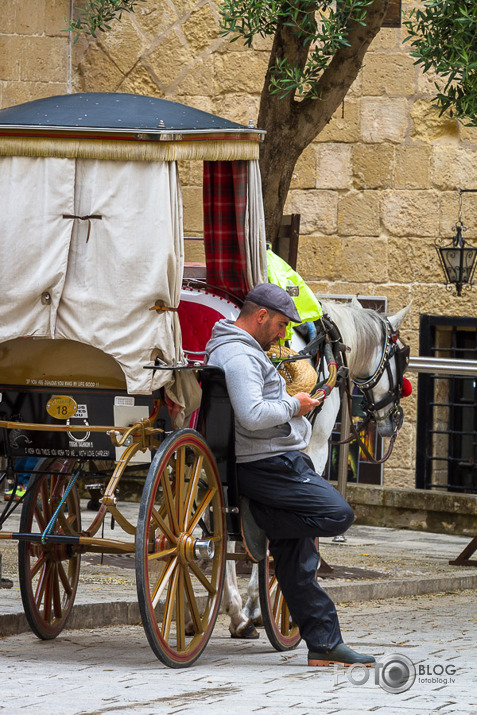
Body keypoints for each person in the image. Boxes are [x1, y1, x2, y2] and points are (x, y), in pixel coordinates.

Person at [205, 282, 375, 667]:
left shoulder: (241, 350)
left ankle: (324, 644)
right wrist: (294, 404)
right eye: (281, 325)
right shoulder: (241, 357)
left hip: (276, 459)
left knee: (297, 556)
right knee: (338, 515)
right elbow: (252, 414)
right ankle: (263, 515)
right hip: (267, 465)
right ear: (261, 316)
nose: (284, 334)